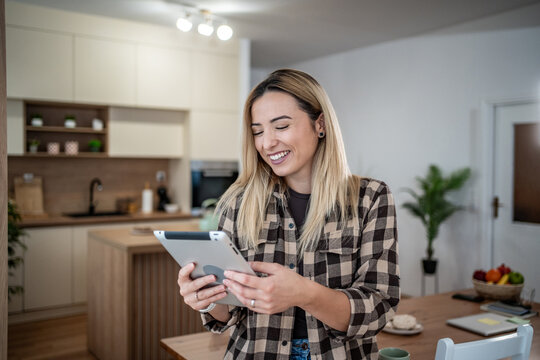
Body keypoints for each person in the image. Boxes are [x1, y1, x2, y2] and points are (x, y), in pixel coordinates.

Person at [177, 69, 400, 359]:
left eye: (280, 126)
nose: (266, 143)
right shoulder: (237, 202)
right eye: (257, 131)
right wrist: (205, 299)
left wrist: (304, 293)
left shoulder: (370, 198)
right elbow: (228, 315)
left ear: (319, 124)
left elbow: (378, 310)